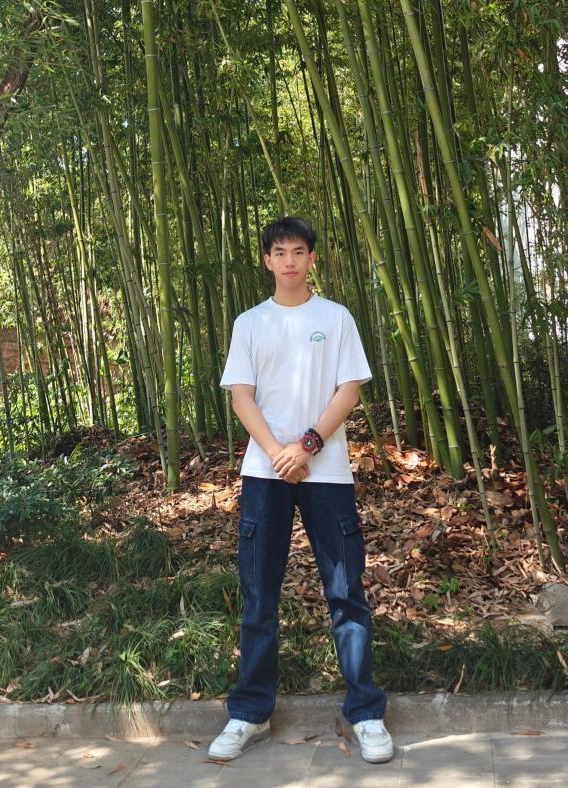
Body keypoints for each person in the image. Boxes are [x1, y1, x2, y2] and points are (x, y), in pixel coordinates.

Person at [208, 216, 393, 764]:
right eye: (279, 252)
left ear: (312, 258)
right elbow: (241, 396)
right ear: (266, 260)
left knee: (345, 590)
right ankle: (250, 713)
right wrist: (278, 452)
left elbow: (349, 389)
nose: (289, 261)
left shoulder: (335, 318)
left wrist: (307, 445)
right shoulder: (250, 323)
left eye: (298, 251)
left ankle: (365, 713)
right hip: (265, 474)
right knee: (258, 594)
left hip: (326, 471)